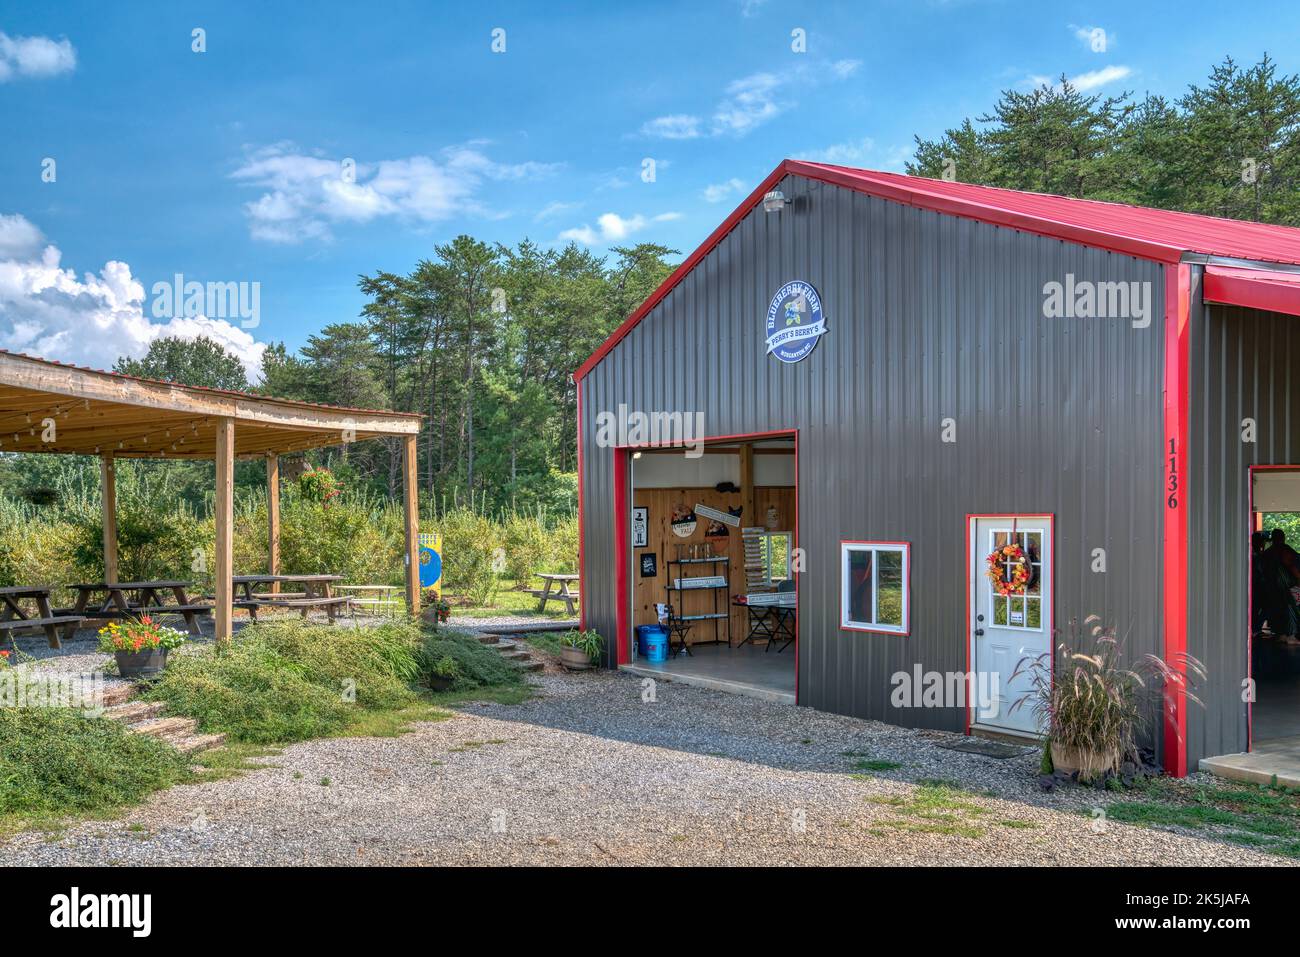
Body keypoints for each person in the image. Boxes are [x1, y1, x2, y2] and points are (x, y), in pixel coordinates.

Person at [1260, 529, 1300, 639]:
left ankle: (1281, 633)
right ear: (1283, 537)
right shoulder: (1284, 550)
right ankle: (1290, 634)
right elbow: (1293, 565)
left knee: (1276, 609)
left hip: (1271, 587)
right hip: (1285, 586)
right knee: (1289, 608)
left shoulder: (1268, 552)